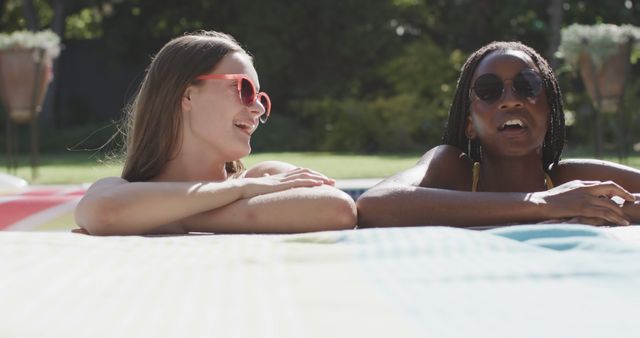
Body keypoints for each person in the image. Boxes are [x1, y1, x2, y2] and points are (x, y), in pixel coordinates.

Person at [75, 31, 356, 235]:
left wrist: (176, 217)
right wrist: (237, 192)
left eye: (261, 97)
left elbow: (337, 208)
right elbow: (105, 213)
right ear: (186, 96)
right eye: (244, 89)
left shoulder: (263, 177)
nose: (258, 108)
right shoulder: (117, 190)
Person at [357, 41, 640, 228]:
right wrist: (544, 205)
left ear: (550, 112)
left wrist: (612, 211)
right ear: (470, 123)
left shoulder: (570, 181)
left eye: (527, 85)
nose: (510, 100)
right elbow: (374, 205)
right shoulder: (453, 171)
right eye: (489, 91)